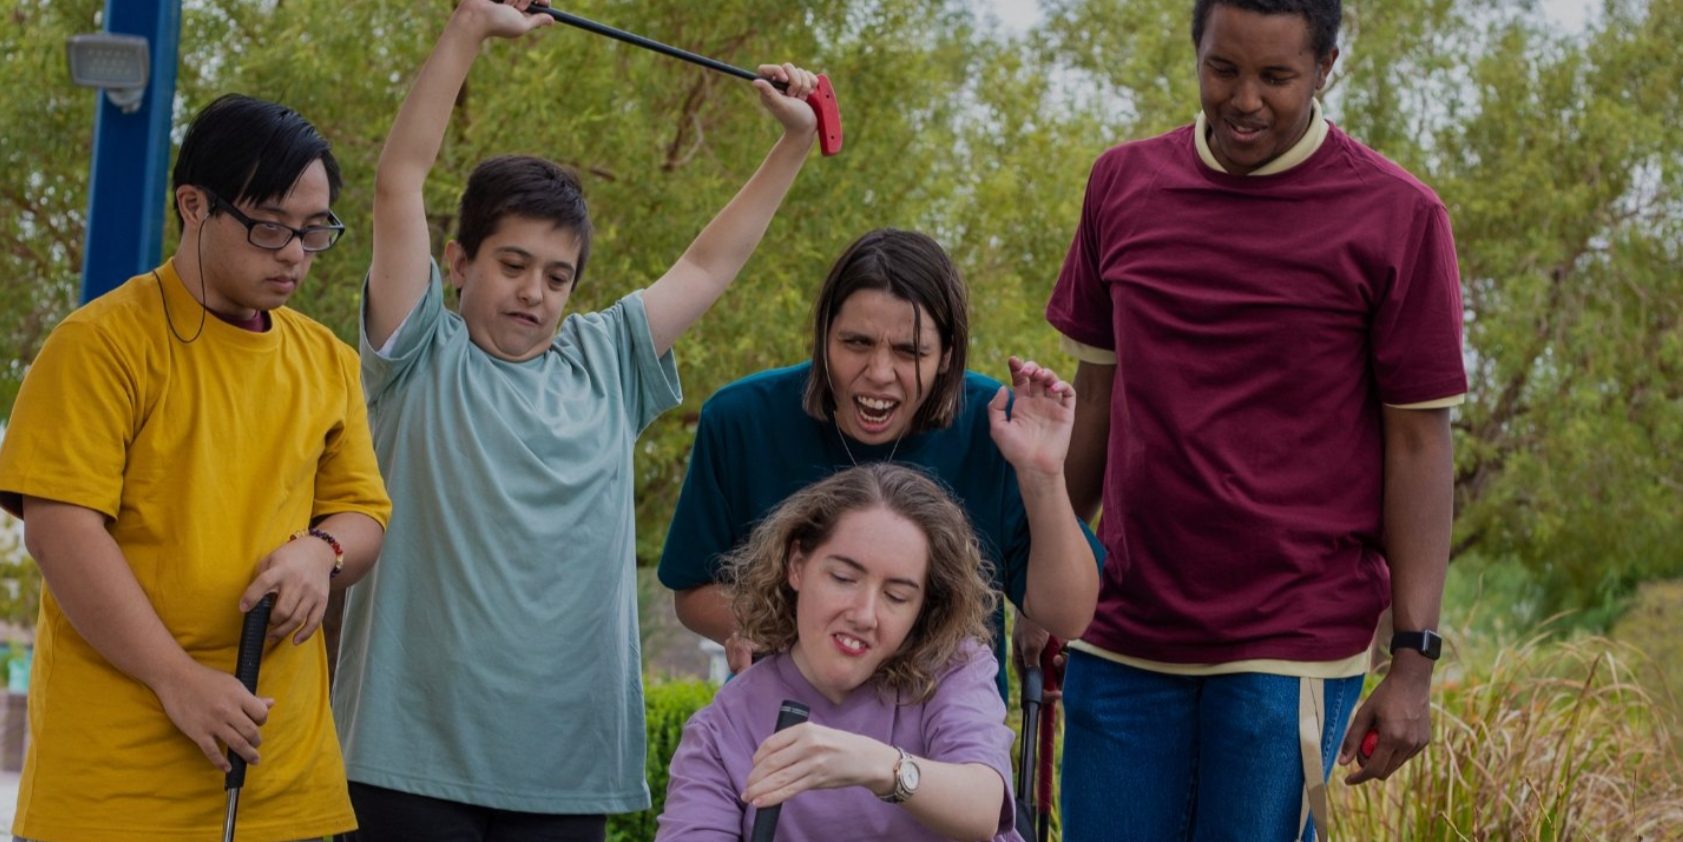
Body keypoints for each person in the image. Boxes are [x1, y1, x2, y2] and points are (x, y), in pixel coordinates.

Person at [328, 2, 821, 839]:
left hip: (563, 771)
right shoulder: (415, 355)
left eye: (557, 277)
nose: (534, 292)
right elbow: (398, 183)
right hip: (404, 761)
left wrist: (793, 143)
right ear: (459, 262)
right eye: (512, 265)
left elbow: (709, 261)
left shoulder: (606, 363)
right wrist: (468, 30)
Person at [1044, 0, 1465, 839]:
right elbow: (1095, 401)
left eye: (1275, 77)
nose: (1243, 99)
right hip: (1120, 628)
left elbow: (1418, 444)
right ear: (1194, 51)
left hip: (1292, 646)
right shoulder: (1120, 184)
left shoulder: (1398, 216)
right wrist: (1043, 580)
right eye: (1222, 69)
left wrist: (1413, 661)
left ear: (1325, 68)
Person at [0, 94, 390, 841]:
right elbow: (61, 532)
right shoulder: (98, 344)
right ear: (194, 205)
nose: (294, 254)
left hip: (283, 781)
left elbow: (363, 513)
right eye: (271, 226)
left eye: (314, 231)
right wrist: (178, 681)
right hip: (113, 789)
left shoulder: (327, 360)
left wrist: (322, 550)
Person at [659, 227, 1100, 699]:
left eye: (910, 352)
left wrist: (1043, 475)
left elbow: (1068, 614)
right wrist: (798, 635)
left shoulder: (995, 426)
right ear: (823, 338)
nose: (879, 373)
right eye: (857, 343)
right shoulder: (740, 420)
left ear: (946, 357)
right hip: (790, 713)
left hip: (943, 731)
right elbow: (693, 590)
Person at [657, 463, 1024, 842]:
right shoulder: (724, 728)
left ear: (923, 607)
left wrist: (878, 766)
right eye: (844, 578)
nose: (864, 615)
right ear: (797, 566)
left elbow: (984, 808)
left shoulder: (952, 669)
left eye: (896, 596)